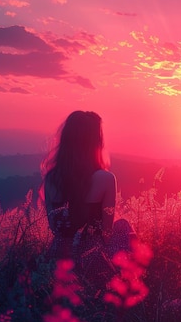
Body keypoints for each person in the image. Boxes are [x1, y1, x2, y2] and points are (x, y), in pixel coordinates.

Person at [42, 111, 135, 281]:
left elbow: (54, 227)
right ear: (95, 142)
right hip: (91, 260)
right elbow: (106, 232)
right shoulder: (106, 179)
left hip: (58, 260)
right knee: (122, 227)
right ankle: (128, 284)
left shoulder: (51, 178)